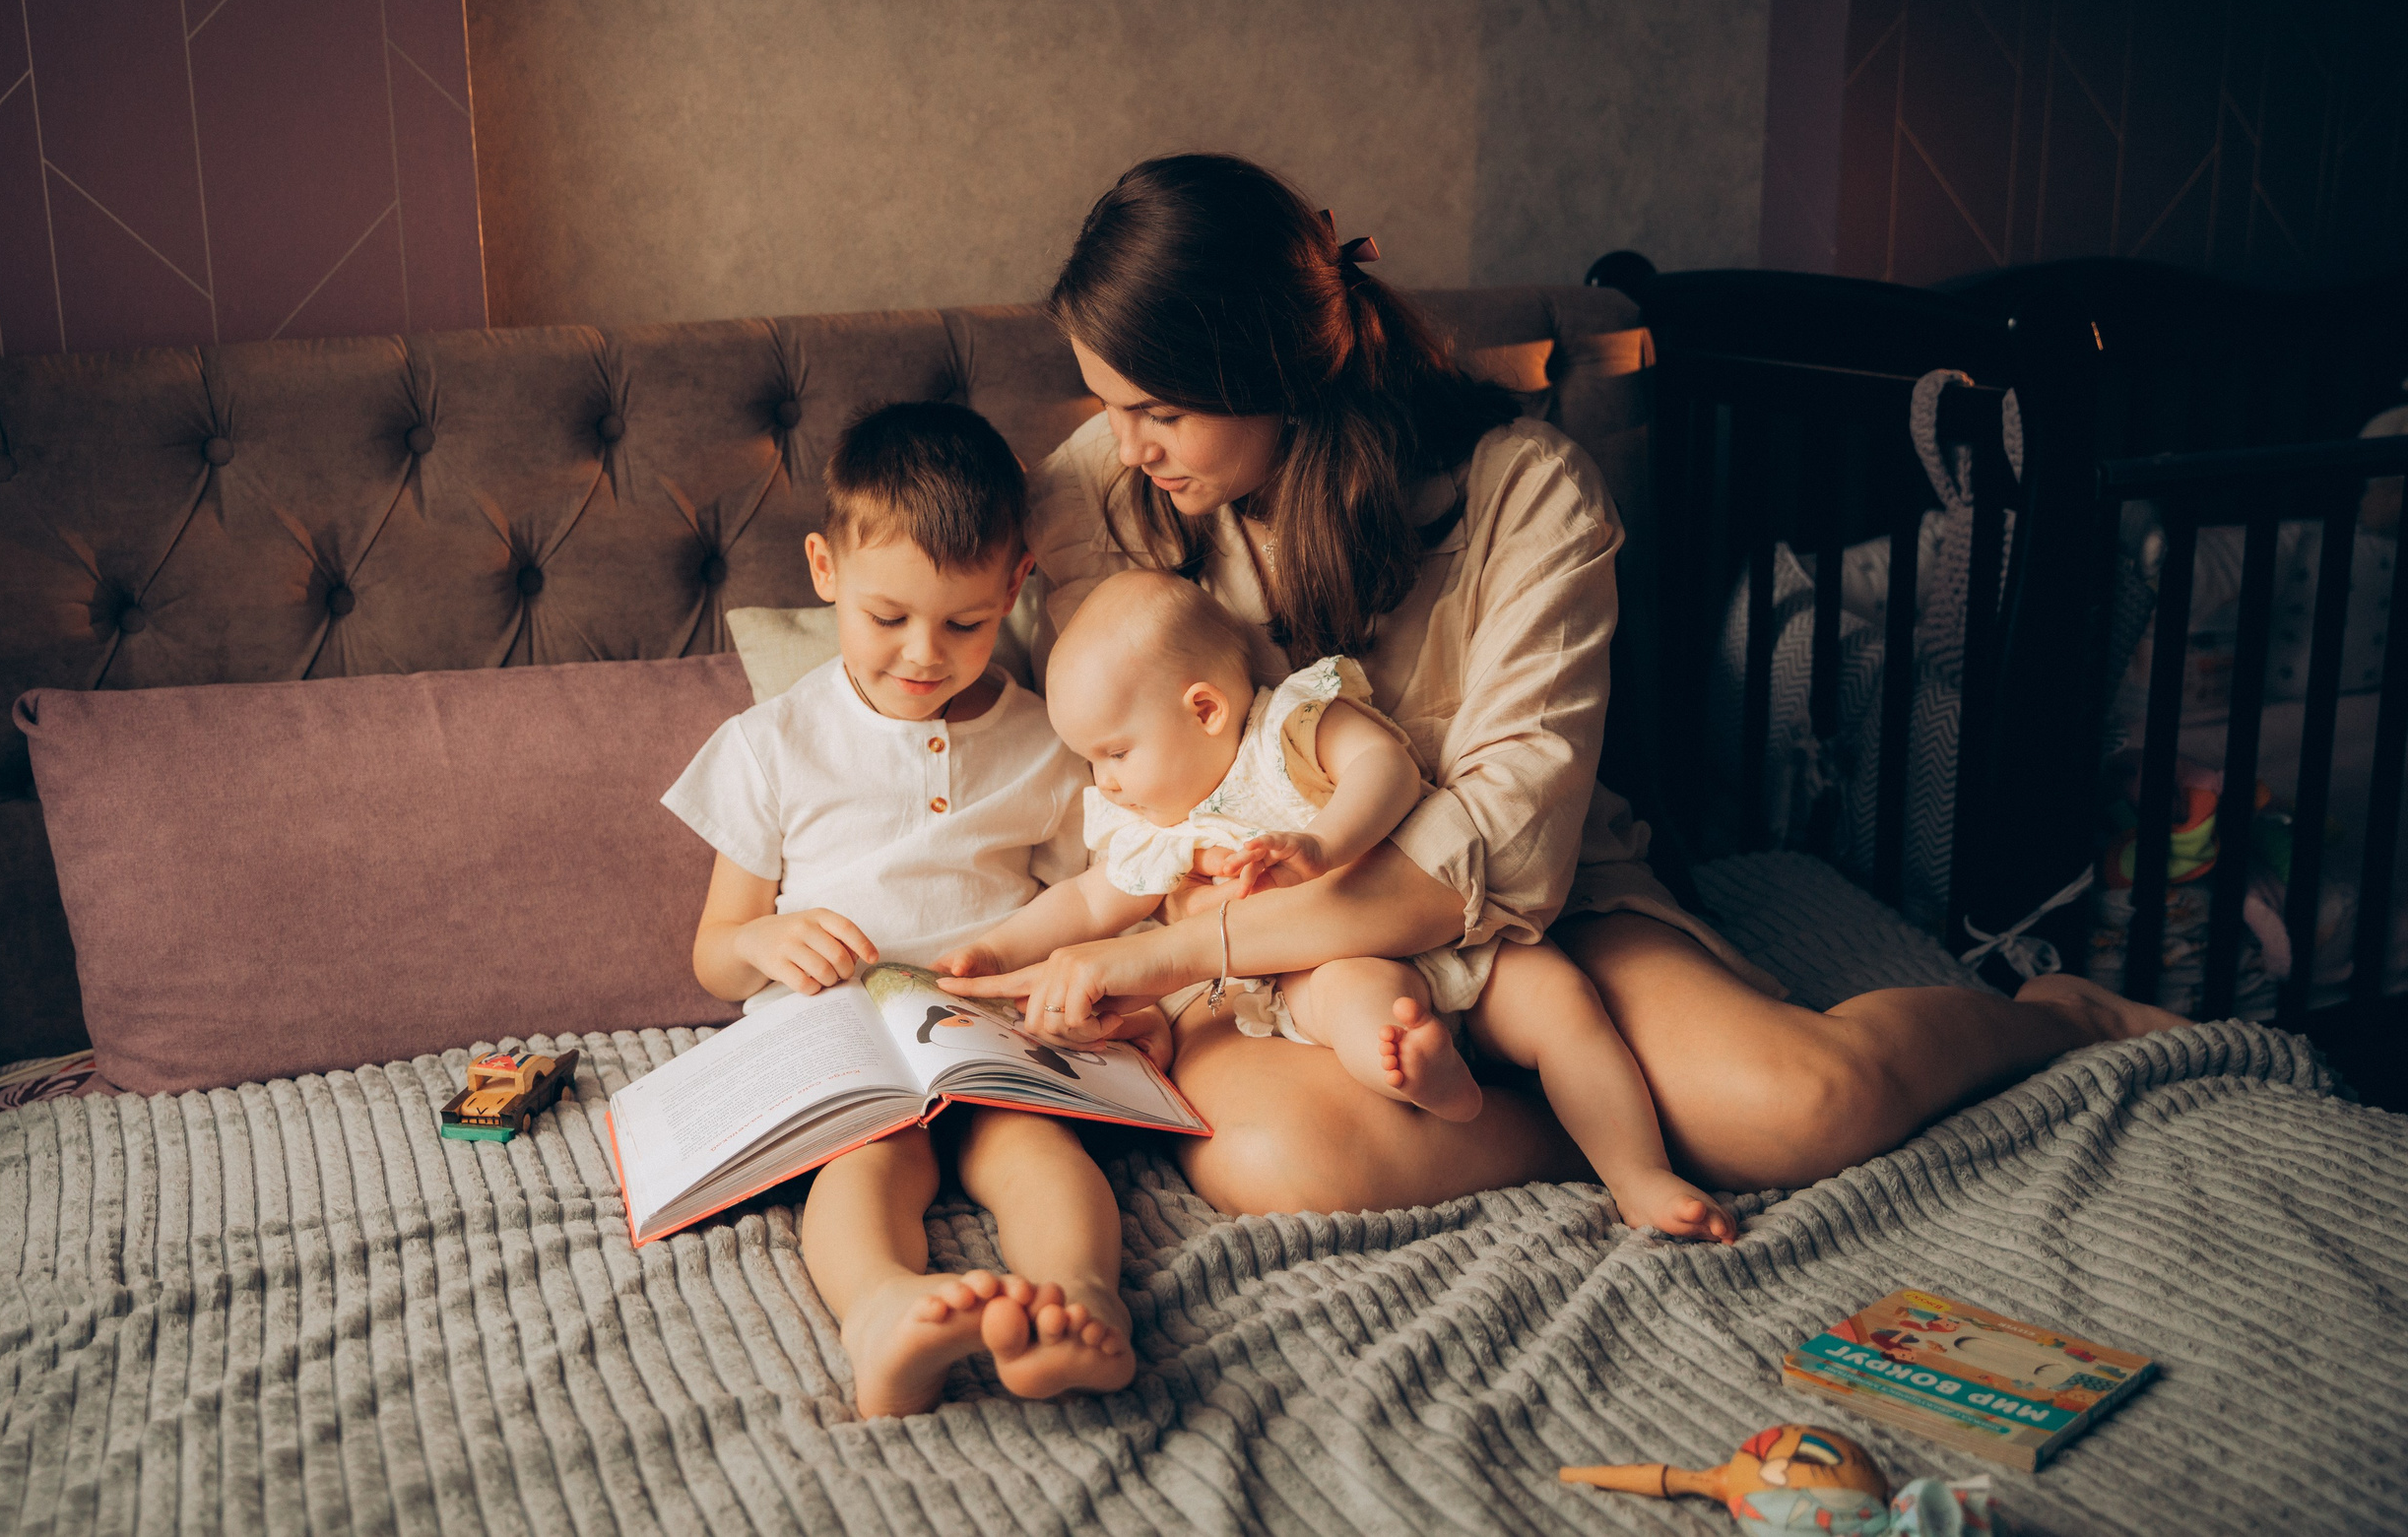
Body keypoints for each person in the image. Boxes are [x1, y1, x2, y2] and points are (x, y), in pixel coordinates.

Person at [938, 153, 2186, 1220]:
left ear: (1274, 366)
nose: (1126, 441)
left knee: (1806, 1109)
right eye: (1108, 405)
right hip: (1280, 973)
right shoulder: (1109, 486)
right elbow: (992, 693)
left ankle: (2056, 1020)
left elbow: (1507, 848)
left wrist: (1187, 948)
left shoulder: (1524, 493)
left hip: (1541, 915)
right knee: (1272, 1159)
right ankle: (1601, 1129)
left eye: (1156, 408)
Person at [663, 402, 1163, 1417]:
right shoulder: (771, 744)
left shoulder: (1045, 740)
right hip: (837, 1034)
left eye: (965, 623)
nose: (922, 655)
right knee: (867, 1160)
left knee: (1033, 1150)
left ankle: (1079, 1304)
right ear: (825, 568)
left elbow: (1091, 896)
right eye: (887, 618)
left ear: (1017, 583)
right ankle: (884, 1315)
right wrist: (762, 937)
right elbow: (714, 959)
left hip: (988, 1026)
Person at [987, 565, 1733, 1240]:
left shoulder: (1293, 724)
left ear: (1205, 709)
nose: (1105, 781)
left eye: (1114, 753)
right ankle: (1423, 1076)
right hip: (1323, 966)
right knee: (1360, 1000)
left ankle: (1638, 1173)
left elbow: (1387, 770)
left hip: (1445, 923)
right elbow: (1086, 905)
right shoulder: (1159, 829)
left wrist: (1324, 843)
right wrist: (995, 949)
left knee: (1565, 1001)